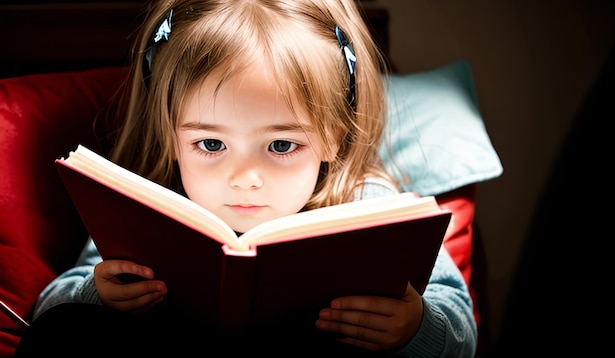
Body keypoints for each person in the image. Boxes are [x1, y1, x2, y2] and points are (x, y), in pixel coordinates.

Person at [14, 0, 477, 356]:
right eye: (211, 145)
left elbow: (461, 327)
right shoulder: (147, 204)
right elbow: (51, 305)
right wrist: (98, 292)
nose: (245, 178)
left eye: (281, 145)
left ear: (332, 138)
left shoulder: (371, 205)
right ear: (173, 136)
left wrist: (416, 327)